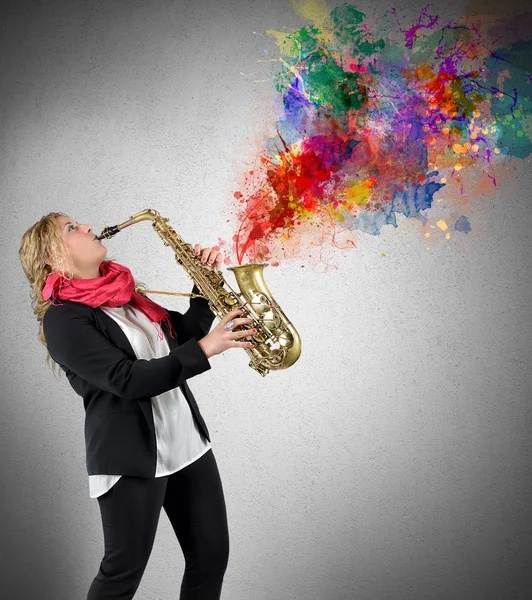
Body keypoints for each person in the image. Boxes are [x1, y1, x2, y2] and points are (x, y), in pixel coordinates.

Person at [19, 212, 256, 600]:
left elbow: (178, 342)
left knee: (211, 558)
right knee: (122, 575)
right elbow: (127, 379)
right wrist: (207, 347)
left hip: (186, 443)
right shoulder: (63, 320)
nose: (88, 227)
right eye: (72, 228)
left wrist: (203, 284)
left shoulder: (126, 295)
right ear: (51, 257)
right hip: (130, 457)